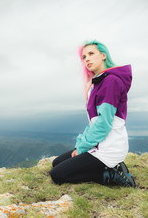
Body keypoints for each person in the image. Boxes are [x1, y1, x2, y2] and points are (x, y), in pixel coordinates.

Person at [50, 40, 136, 187]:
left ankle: (110, 175)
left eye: (91, 54)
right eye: (84, 57)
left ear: (103, 55)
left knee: (57, 175)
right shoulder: (96, 84)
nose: (87, 59)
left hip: (109, 147)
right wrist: (80, 145)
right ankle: (111, 167)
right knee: (56, 163)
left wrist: (82, 148)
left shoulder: (111, 82)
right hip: (98, 144)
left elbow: (104, 124)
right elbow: (93, 123)